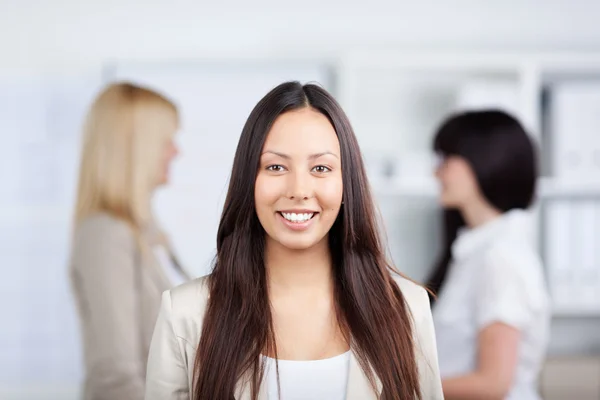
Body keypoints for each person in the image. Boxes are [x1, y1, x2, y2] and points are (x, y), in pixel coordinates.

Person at [144, 81, 443, 400]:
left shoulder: (407, 309)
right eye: (275, 166)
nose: (299, 189)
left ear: (347, 183)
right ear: (250, 180)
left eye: (320, 167)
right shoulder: (187, 313)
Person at [69, 82, 191, 400]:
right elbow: (115, 377)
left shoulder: (148, 232)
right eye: (166, 141)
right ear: (136, 147)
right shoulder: (106, 236)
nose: (176, 151)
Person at [426, 110, 550, 400]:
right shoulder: (473, 251)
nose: (436, 172)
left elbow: (493, 384)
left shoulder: (500, 256)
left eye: (446, 160)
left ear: (484, 162)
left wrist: (399, 388)